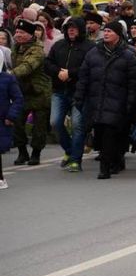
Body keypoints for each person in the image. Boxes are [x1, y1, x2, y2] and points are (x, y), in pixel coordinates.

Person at [74, 21, 136, 179]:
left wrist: (131, 102)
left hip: (117, 101)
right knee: (101, 133)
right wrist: (79, 97)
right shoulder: (93, 54)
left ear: (118, 34)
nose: (106, 34)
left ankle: (105, 167)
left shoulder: (128, 55)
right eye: (105, 31)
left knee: (111, 133)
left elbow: (134, 82)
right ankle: (113, 161)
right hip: (97, 100)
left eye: (110, 31)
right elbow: (83, 77)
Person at [44, 16, 94, 171]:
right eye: (68, 28)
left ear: (81, 29)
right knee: (55, 122)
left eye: (74, 28)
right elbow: (47, 63)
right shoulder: (58, 45)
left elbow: (90, 67)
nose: (71, 31)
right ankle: (70, 150)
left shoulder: (90, 47)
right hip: (59, 90)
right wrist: (58, 72)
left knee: (78, 125)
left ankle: (75, 160)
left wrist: (70, 73)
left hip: (80, 92)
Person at [10, 18, 52, 166]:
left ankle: (36, 153)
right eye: (17, 32)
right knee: (16, 122)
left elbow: (27, 66)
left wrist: (9, 75)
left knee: (39, 126)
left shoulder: (37, 50)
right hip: (22, 91)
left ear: (30, 35)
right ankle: (22, 152)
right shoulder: (16, 48)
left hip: (39, 92)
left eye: (21, 32)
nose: (18, 35)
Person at [0, 58, 23, 189]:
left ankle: (1, 179)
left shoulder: (8, 79)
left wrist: (11, 116)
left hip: (2, 119)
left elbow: (18, 99)